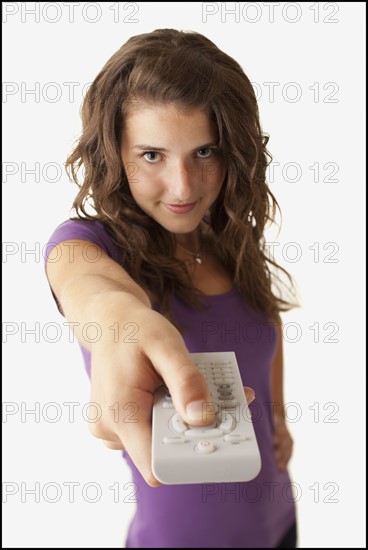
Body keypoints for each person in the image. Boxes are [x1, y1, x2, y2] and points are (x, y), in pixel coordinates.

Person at [44, 28, 300, 548]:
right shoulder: (89, 244)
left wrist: (278, 417)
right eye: (153, 156)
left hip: (278, 525)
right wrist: (117, 315)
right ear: (114, 153)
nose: (184, 187)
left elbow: (264, 331)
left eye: (204, 151)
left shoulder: (228, 236)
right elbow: (88, 286)